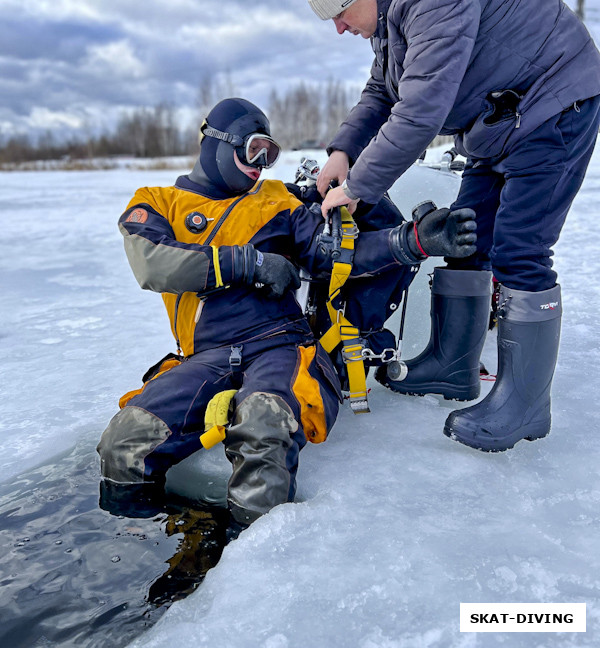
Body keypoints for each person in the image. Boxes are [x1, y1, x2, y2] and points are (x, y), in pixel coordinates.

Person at [97, 98, 476, 535]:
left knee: (264, 423)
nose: (260, 165)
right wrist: (249, 264)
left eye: (270, 154)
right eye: (252, 150)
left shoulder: (276, 201)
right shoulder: (157, 202)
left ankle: (248, 570)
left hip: (281, 345)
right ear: (216, 144)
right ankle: (146, 553)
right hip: (205, 356)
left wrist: (411, 241)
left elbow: (333, 255)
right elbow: (152, 264)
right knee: (125, 440)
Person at [305, 0, 600, 452]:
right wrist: (342, 153)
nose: (340, 29)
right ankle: (452, 366)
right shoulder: (394, 13)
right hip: (500, 121)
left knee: (520, 249)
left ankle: (526, 406)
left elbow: (419, 113)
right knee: (467, 239)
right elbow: (383, 90)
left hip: (553, 103)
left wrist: (358, 189)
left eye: (340, 14)